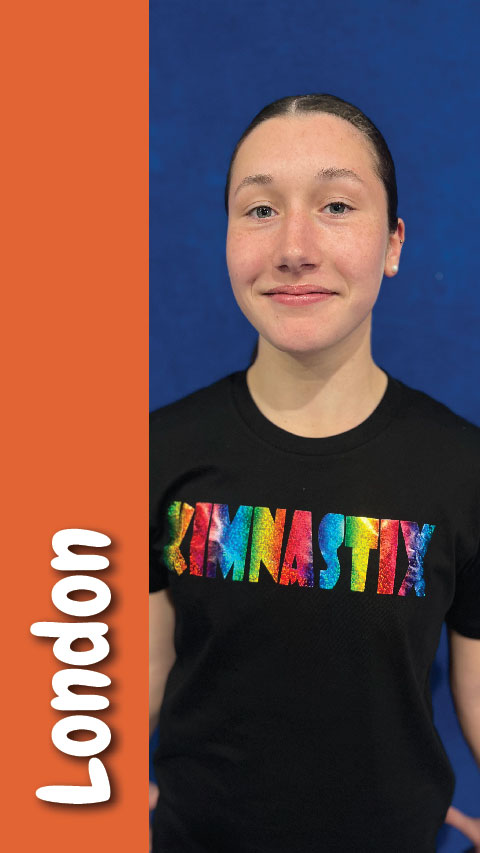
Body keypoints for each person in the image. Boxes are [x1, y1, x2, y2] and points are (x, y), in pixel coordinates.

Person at [149, 93, 480, 852]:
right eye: (260, 210)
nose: (293, 248)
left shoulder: (463, 470)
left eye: (335, 205)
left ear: (393, 243)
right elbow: (124, 686)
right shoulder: (155, 452)